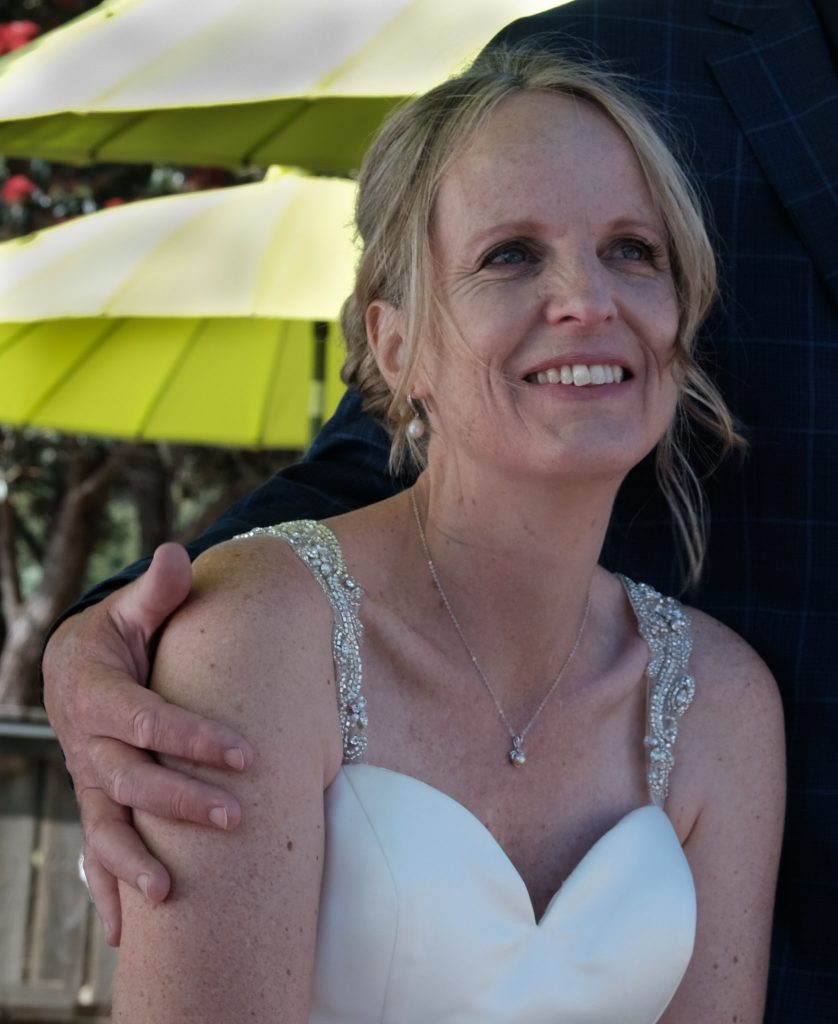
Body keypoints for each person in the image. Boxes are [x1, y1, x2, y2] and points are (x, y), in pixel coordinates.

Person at [41, 1, 836, 1019]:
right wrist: (131, 630)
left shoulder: (721, 702)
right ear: (394, 344)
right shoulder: (259, 647)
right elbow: (350, 467)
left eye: (635, 251)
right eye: (510, 255)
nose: (590, 300)